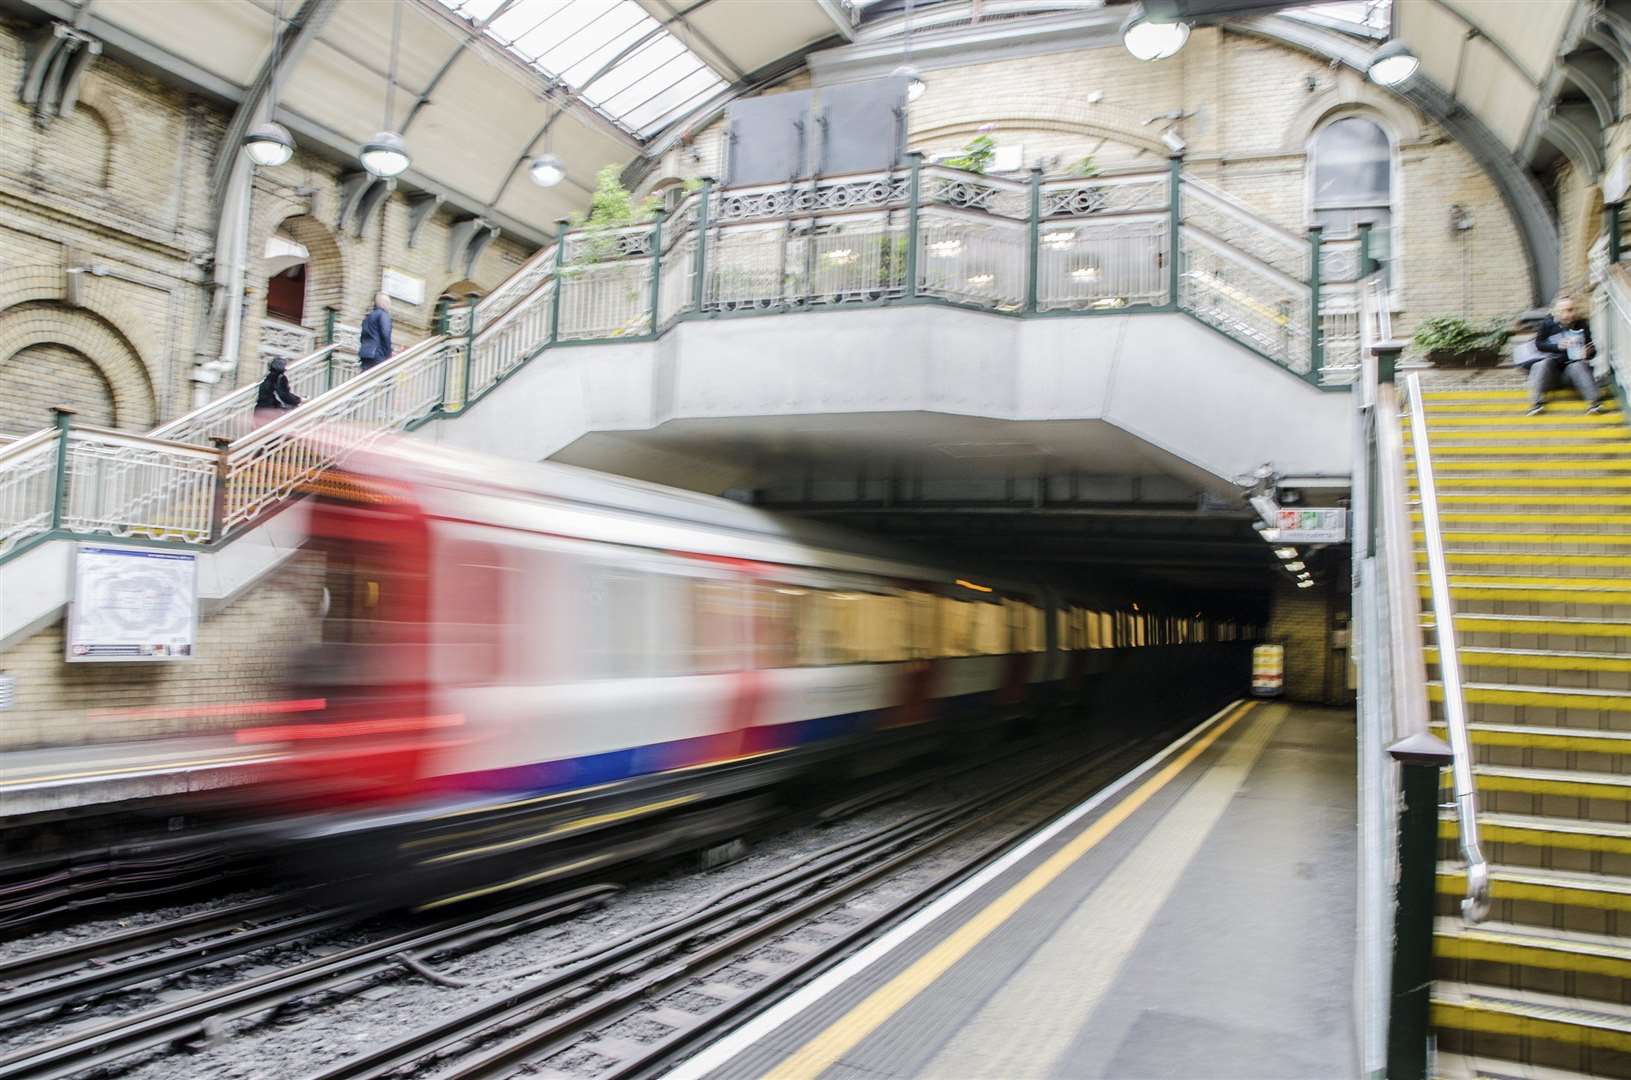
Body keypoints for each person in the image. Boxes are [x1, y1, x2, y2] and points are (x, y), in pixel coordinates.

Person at [1526, 294, 1603, 416]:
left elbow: (1592, 348)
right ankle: (1535, 404)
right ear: (1557, 312)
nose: (1571, 314)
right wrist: (1557, 346)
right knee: (1543, 363)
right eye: (1567, 310)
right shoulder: (1548, 324)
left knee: (1577, 365)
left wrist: (1589, 352)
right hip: (1551, 374)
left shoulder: (1582, 324)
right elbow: (1538, 344)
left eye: (1572, 309)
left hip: (1572, 375)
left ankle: (1594, 404)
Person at [253, 357, 301, 427]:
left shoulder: (266, 377)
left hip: (260, 409)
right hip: (270, 410)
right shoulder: (280, 378)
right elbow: (283, 395)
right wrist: (298, 400)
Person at [358, 291, 393, 372]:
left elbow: (362, 337)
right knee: (387, 378)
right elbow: (385, 334)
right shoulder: (383, 315)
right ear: (384, 303)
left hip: (365, 354)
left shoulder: (368, 317)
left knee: (365, 380)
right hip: (377, 353)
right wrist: (388, 353)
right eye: (388, 303)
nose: (389, 306)